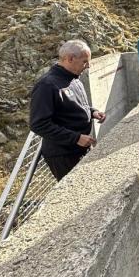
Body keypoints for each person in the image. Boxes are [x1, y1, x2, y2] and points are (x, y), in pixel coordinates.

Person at [29, 39, 106, 181]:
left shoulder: (74, 78)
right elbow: (38, 124)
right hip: (63, 154)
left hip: (79, 148)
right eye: (84, 61)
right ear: (70, 59)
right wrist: (76, 138)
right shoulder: (47, 85)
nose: (88, 66)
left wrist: (92, 112)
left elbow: (73, 106)